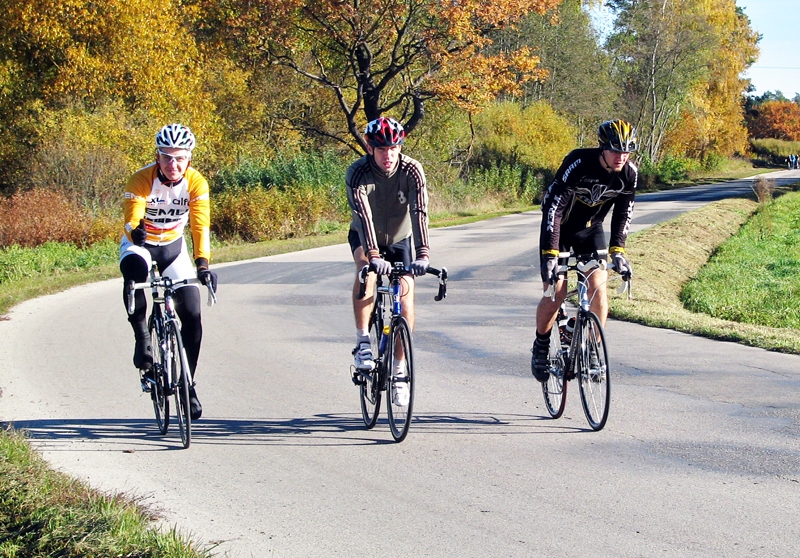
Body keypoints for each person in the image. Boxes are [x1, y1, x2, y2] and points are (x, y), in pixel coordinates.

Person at [119, 123, 218, 420]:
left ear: (189, 158)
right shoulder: (141, 179)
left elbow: (200, 226)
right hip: (141, 245)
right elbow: (132, 216)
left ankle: (188, 385)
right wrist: (135, 231)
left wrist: (203, 263)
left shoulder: (196, 183)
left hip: (174, 247)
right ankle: (142, 340)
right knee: (135, 275)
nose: (173, 164)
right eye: (166, 157)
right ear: (157, 156)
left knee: (192, 311)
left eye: (180, 158)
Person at [531, 119, 638, 383]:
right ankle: (541, 345)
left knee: (598, 289)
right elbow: (554, 209)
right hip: (561, 231)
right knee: (555, 293)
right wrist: (550, 255)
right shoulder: (578, 162)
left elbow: (624, 213)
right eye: (615, 150)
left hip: (591, 231)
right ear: (603, 147)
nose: (620, 157)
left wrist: (618, 252)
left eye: (626, 151)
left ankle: (591, 348)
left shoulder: (629, 174)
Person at [346, 116, 430, 406]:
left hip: (400, 238)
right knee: (366, 272)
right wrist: (372, 256)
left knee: (406, 298)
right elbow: (364, 218)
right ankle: (362, 342)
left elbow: (420, 213)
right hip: (365, 237)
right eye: (382, 149)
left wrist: (423, 254)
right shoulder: (358, 173)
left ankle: (398, 369)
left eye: (393, 148)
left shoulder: (412, 171)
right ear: (370, 148)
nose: (388, 155)